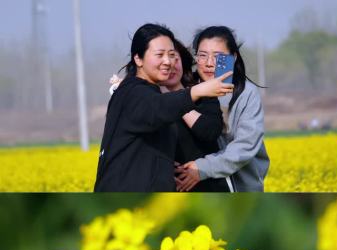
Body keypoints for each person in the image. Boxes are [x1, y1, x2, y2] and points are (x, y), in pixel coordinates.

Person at [94, 23, 232, 192]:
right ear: (138, 58)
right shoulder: (133, 92)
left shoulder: (147, 91)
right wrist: (198, 90)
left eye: (172, 55)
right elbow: (158, 108)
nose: (168, 62)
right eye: (160, 55)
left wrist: (163, 163)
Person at [175, 26, 269, 192]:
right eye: (202, 56)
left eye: (218, 57)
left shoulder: (246, 94)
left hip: (242, 186)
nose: (209, 63)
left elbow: (245, 145)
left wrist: (203, 168)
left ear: (233, 57)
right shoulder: (186, 91)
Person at [160, 39, 230, 191]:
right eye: (165, 60)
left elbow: (210, 132)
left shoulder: (204, 92)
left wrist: (179, 98)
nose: (170, 65)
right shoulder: (151, 101)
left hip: (210, 186)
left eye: (175, 59)